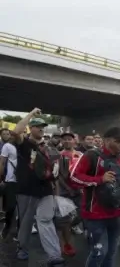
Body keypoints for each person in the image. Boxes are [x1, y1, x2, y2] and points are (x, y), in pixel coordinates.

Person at [71, 126, 120, 267]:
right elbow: (74, 177)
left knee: (111, 253)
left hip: (117, 215)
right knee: (99, 252)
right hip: (95, 216)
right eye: (117, 141)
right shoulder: (92, 156)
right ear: (106, 141)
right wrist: (99, 179)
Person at [13, 109, 64, 266]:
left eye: (43, 126)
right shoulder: (24, 144)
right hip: (27, 191)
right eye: (38, 126)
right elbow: (16, 131)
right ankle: (23, 248)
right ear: (31, 128)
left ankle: (54, 255)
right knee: (26, 223)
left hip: (45, 190)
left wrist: (56, 193)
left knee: (46, 221)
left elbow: (53, 171)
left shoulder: (47, 148)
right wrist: (31, 114)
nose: (42, 129)